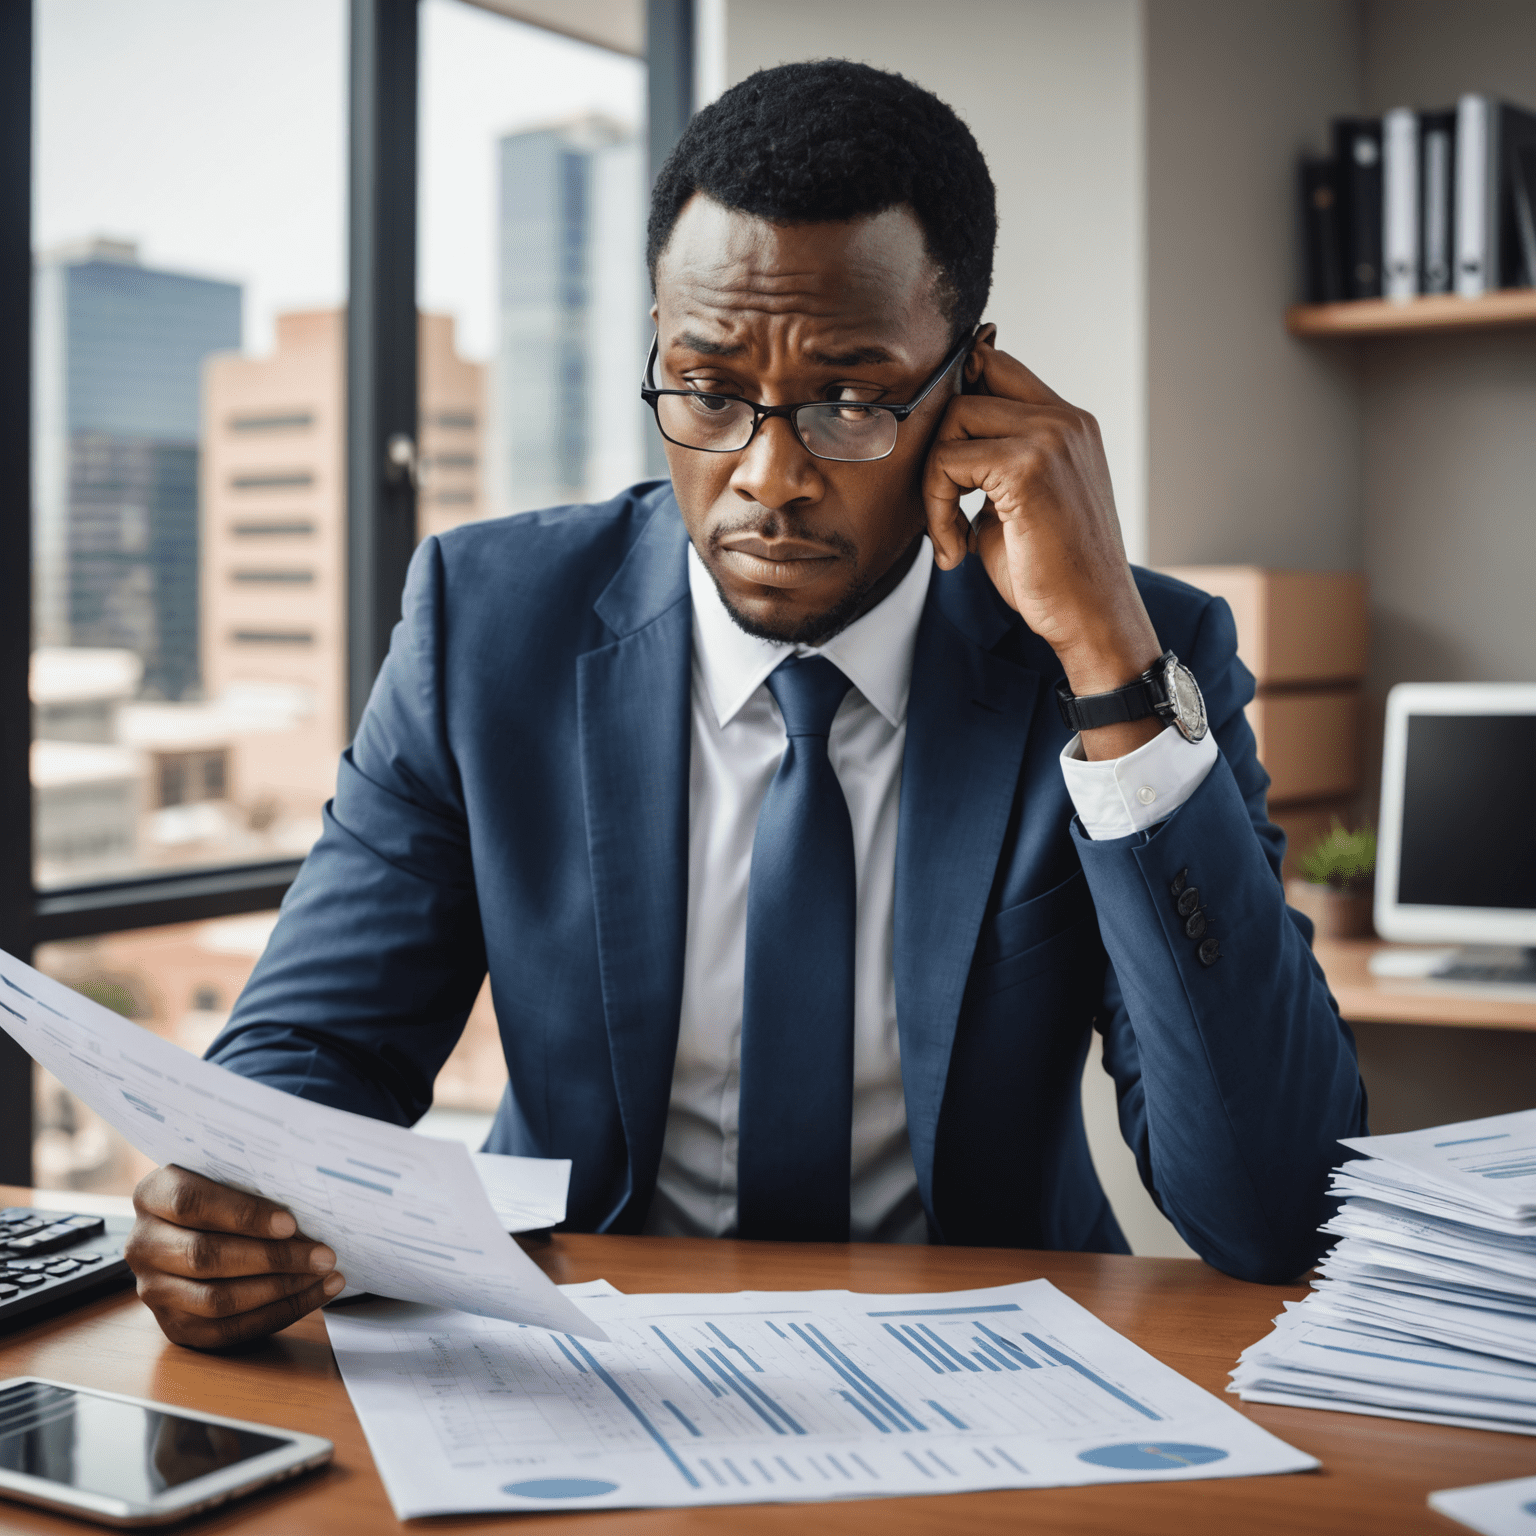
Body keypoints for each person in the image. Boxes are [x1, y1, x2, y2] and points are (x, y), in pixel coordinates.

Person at [126, 60, 1366, 1350]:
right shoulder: (491, 622)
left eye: (850, 398)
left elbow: (1281, 1214)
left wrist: (1106, 648)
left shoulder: (1132, 655)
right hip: (564, 1359)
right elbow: (317, 1047)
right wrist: (236, 1202)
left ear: (974, 386)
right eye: (709, 390)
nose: (769, 479)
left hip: (997, 1371)